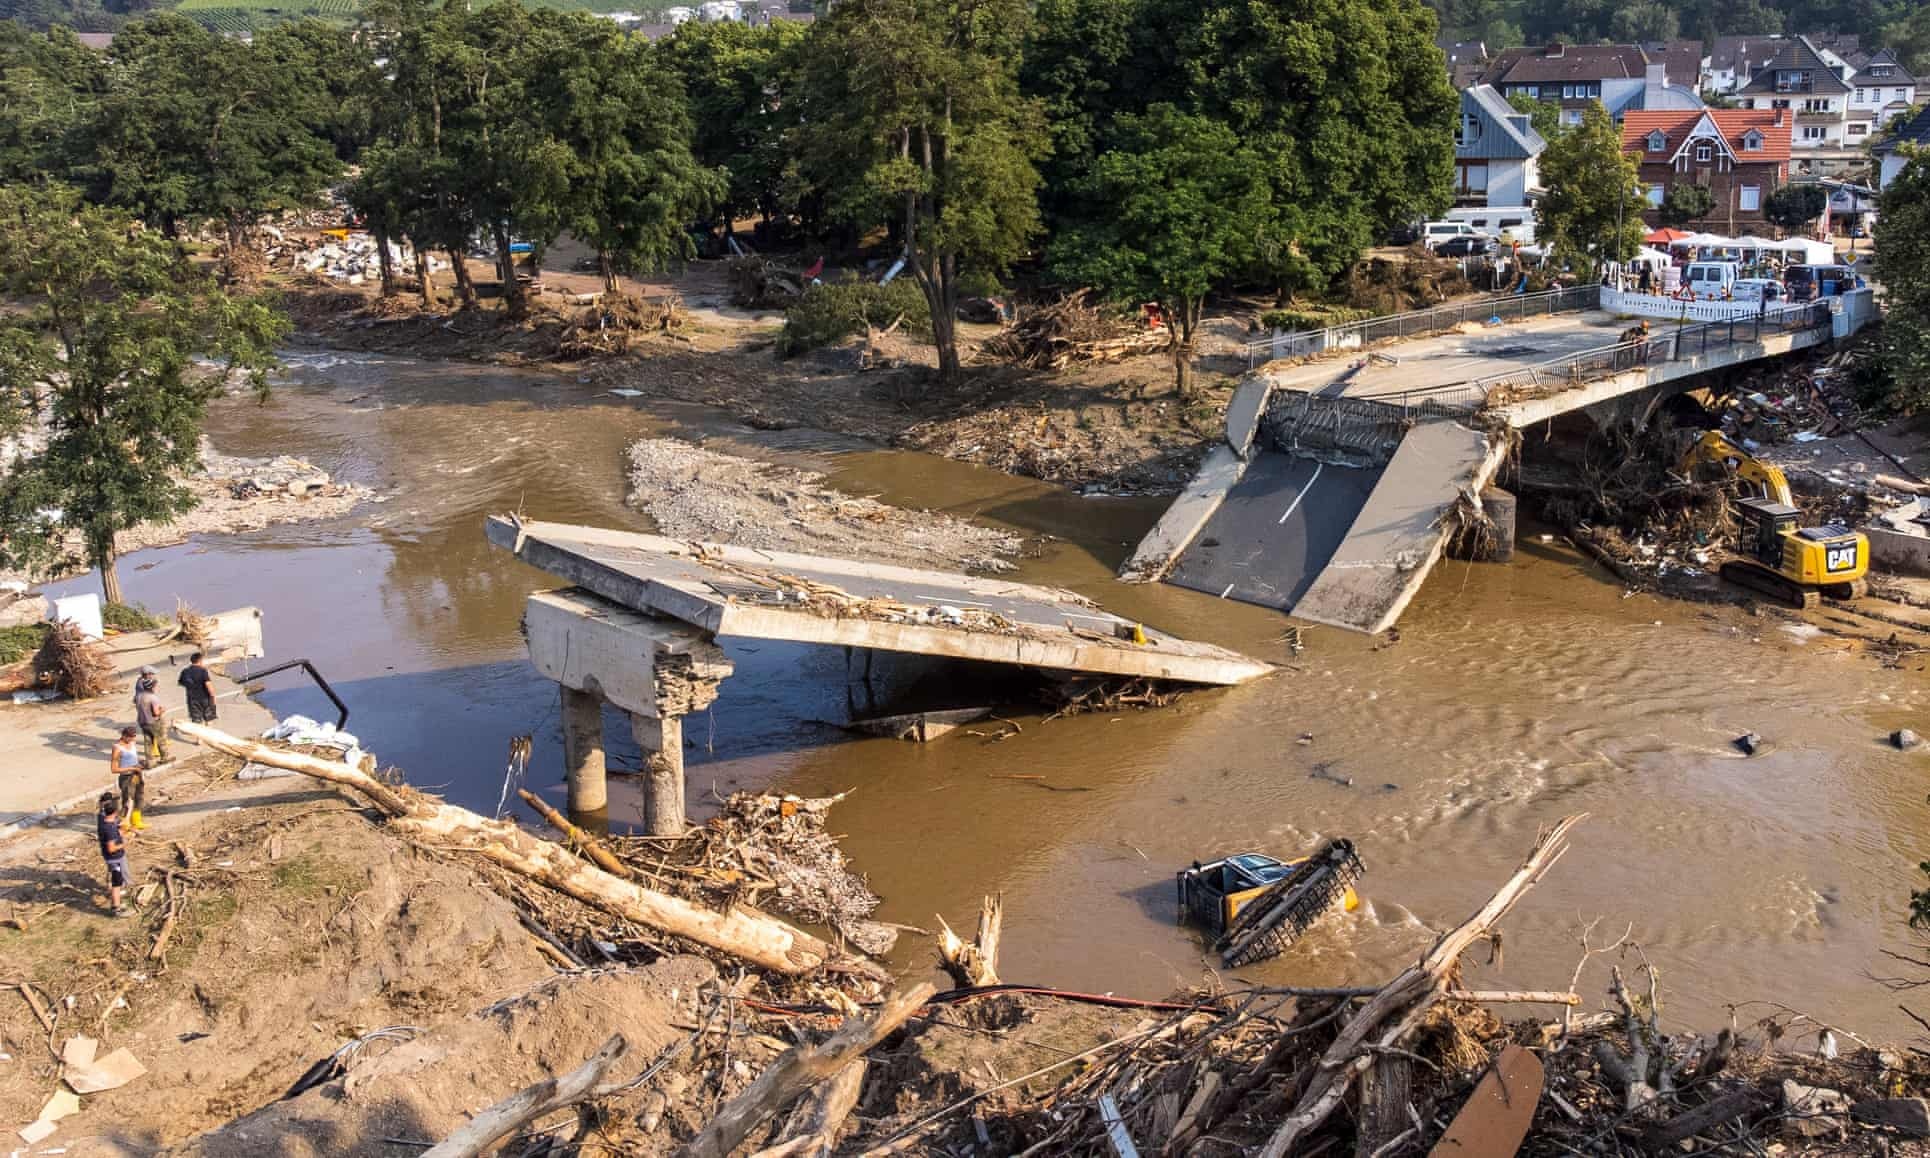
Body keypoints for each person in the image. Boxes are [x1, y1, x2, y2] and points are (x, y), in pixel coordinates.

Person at [97, 791, 130, 915]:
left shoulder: (101, 818)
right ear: (115, 812)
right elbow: (111, 848)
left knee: (114, 878)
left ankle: (113, 894)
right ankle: (116, 908)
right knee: (117, 882)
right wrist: (125, 843)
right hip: (114, 858)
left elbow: (101, 807)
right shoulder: (110, 829)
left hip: (108, 857)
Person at [111, 725, 147, 830]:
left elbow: (134, 757)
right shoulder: (117, 749)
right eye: (130, 737)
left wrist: (140, 763)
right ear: (124, 736)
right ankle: (124, 824)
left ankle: (136, 821)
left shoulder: (132, 743)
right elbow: (114, 769)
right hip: (126, 777)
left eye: (134, 737)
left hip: (137, 774)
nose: (132, 739)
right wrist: (131, 768)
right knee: (127, 801)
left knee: (139, 797)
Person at [133, 666, 168, 764]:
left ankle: (150, 761)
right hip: (153, 721)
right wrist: (162, 710)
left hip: (143, 721)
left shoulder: (139, 696)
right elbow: (156, 712)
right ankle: (164, 758)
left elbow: (136, 702)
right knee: (161, 739)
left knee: (148, 741)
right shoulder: (153, 698)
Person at [178, 652, 216, 725]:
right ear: (200, 661)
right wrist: (212, 697)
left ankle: (198, 736)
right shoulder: (203, 671)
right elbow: (208, 685)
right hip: (205, 698)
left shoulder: (185, 671)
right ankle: (208, 734)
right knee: (209, 719)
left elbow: (180, 683)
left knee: (196, 722)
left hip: (192, 699)